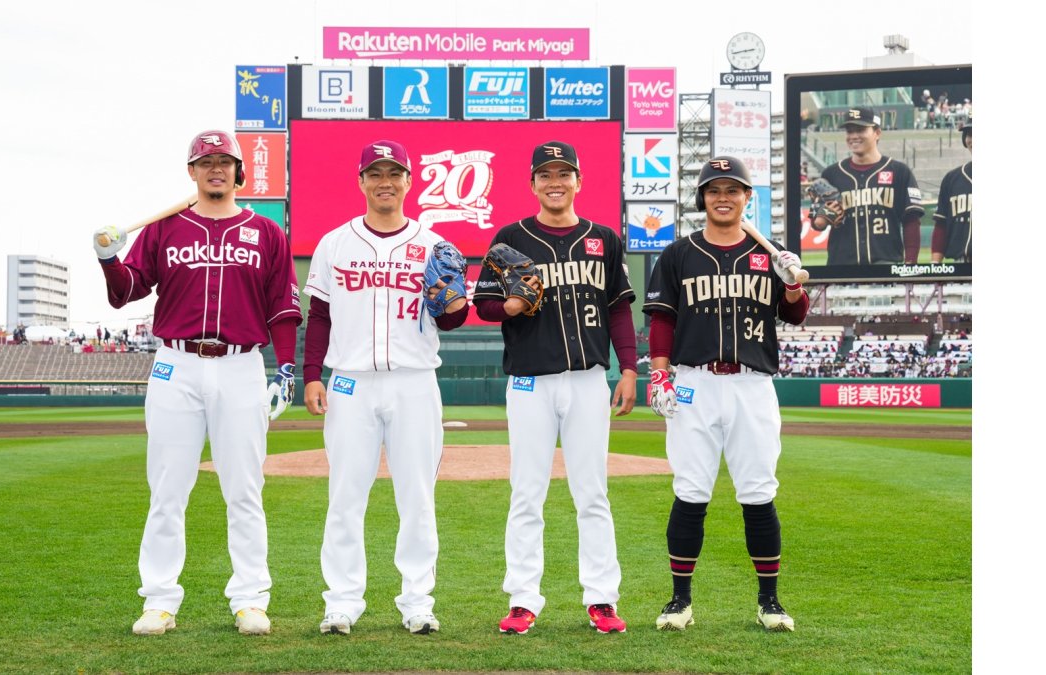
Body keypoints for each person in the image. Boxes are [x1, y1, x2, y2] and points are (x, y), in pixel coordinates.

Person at [92, 129, 302, 636]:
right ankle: (159, 600)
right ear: (192, 172)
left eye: (224, 161)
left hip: (241, 364)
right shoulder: (164, 229)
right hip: (176, 364)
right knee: (167, 489)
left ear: (238, 171)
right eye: (205, 162)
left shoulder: (266, 232)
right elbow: (127, 292)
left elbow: (282, 306)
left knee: (245, 489)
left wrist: (286, 367)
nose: (215, 169)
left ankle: (250, 599)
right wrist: (108, 259)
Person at [302, 140, 469, 636]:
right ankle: (342, 602)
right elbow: (319, 315)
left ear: (409, 182)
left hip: (414, 381)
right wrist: (312, 374)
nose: (385, 182)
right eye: (374, 173)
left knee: (417, 498)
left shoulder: (433, 245)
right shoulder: (335, 243)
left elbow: (453, 320)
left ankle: (417, 601)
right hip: (350, 382)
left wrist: (453, 303)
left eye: (394, 173)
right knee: (344, 497)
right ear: (360, 182)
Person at [473, 140, 638, 635]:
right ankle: (523, 599)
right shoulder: (510, 237)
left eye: (564, 173)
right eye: (545, 174)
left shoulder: (603, 239)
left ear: (578, 181)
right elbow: (483, 304)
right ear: (532, 184)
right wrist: (510, 306)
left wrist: (629, 369)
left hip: (588, 380)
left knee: (593, 493)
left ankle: (602, 598)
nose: (555, 182)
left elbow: (618, 309)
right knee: (527, 492)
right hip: (529, 382)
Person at [642, 156, 810, 633]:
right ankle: (679, 600)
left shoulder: (769, 254)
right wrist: (659, 373)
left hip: (752, 384)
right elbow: (662, 320)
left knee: (758, 493)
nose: (722, 197)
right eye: (713, 190)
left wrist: (791, 284)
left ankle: (769, 602)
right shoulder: (678, 254)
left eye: (732, 189)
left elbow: (795, 314)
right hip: (694, 382)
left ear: (746, 197)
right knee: (690, 491)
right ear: (702, 199)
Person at [811, 107, 925, 265]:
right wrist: (821, 218)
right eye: (849, 131)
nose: (853, 136)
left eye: (860, 130)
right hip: (841, 267)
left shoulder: (900, 172)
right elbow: (817, 224)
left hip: (886, 265)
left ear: (877, 133)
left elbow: (911, 221)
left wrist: (910, 264)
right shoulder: (832, 174)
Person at [932, 118, 972, 263]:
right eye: (969, 134)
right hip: (961, 264)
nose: (972, 139)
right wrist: (935, 264)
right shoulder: (952, 179)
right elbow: (941, 225)